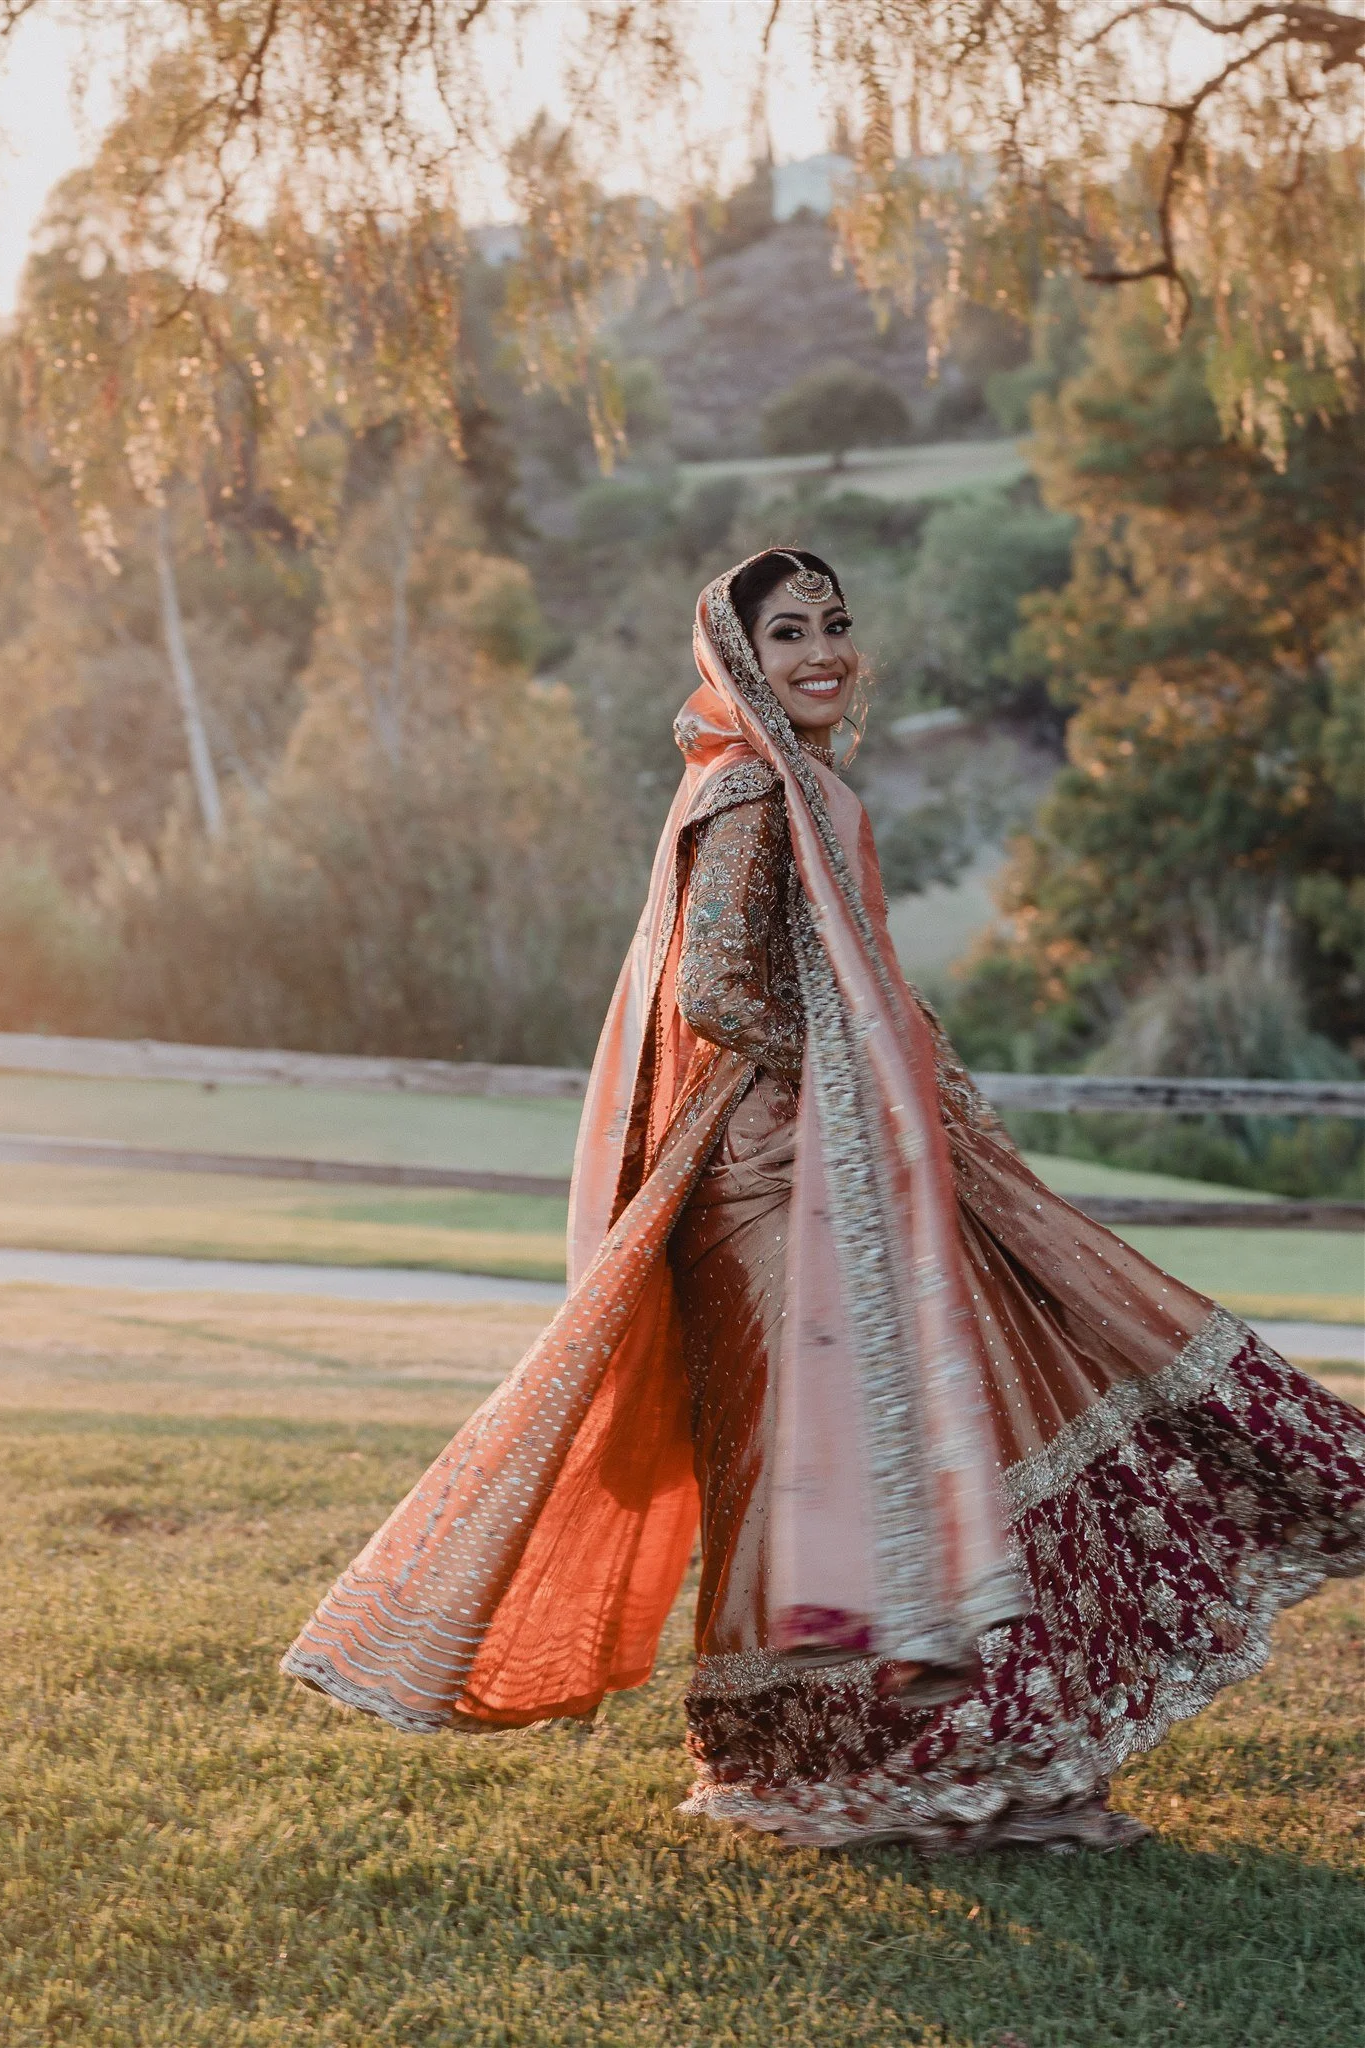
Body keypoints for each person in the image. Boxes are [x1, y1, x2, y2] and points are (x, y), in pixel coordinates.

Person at [283, 548, 1365, 1852]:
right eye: (787, 631)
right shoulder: (745, 790)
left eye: (835, 625)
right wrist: (867, 1070)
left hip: (843, 1163)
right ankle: (838, 1769)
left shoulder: (801, 785)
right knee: (827, 1477)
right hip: (777, 1184)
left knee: (938, 1435)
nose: (821, 652)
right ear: (738, 656)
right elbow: (718, 995)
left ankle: (973, 1766)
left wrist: (909, 1082)